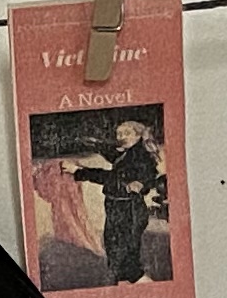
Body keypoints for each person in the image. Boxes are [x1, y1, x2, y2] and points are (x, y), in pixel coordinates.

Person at [64, 115, 169, 286]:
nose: (121, 137)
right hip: (121, 209)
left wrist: (78, 171)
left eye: (126, 133)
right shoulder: (131, 152)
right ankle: (126, 289)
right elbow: (114, 154)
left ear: (138, 135)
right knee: (118, 257)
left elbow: (111, 177)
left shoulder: (139, 156)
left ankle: (150, 289)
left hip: (127, 211)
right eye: (119, 134)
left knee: (126, 261)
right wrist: (96, 144)